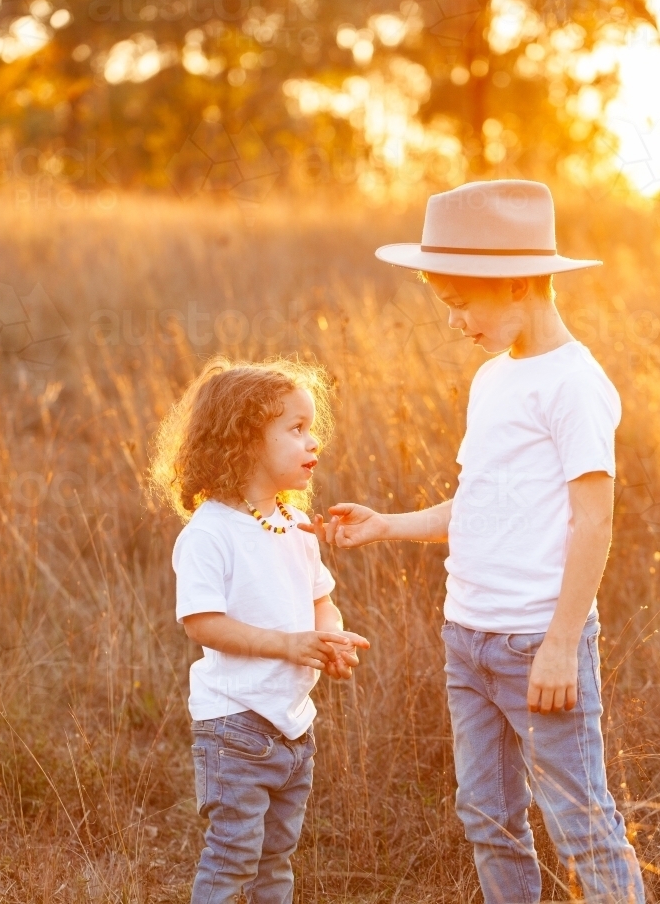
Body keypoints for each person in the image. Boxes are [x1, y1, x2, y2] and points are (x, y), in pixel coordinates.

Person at [301, 180, 644, 903]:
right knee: (487, 817)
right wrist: (388, 525)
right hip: (467, 639)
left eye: (461, 303)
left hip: (534, 644)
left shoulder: (573, 385)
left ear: (518, 283)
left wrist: (557, 645)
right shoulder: (493, 379)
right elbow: (480, 503)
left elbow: (595, 520)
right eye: (445, 305)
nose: (453, 322)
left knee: (579, 821)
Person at [151, 357, 369, 904]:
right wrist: (290, 645)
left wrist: (331, 641)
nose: (312, 441)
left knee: (276, 857)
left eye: (311, 427)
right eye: (295, 429)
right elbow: (203, 623)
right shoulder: (210, 533)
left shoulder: (296, 525)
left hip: (294, 727)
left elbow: (323, 602)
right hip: (237, 726)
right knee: (233, 856)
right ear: (244, 442)